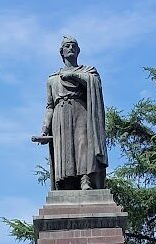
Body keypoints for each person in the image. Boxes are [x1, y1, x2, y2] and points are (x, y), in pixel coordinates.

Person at [38, 35, 107, 191]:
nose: (70, 48)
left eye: (73, 46)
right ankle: (67, 184)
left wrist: (73, 75)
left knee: (83, 144)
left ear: (78, 51)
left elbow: (94, 83)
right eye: (67, 46)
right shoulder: (52, 79)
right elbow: (50, 106)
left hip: (81, 111)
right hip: (60, 116)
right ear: (61, 52)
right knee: (64, 149)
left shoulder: (88, 71)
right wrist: (44, 129)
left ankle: (86, 180)